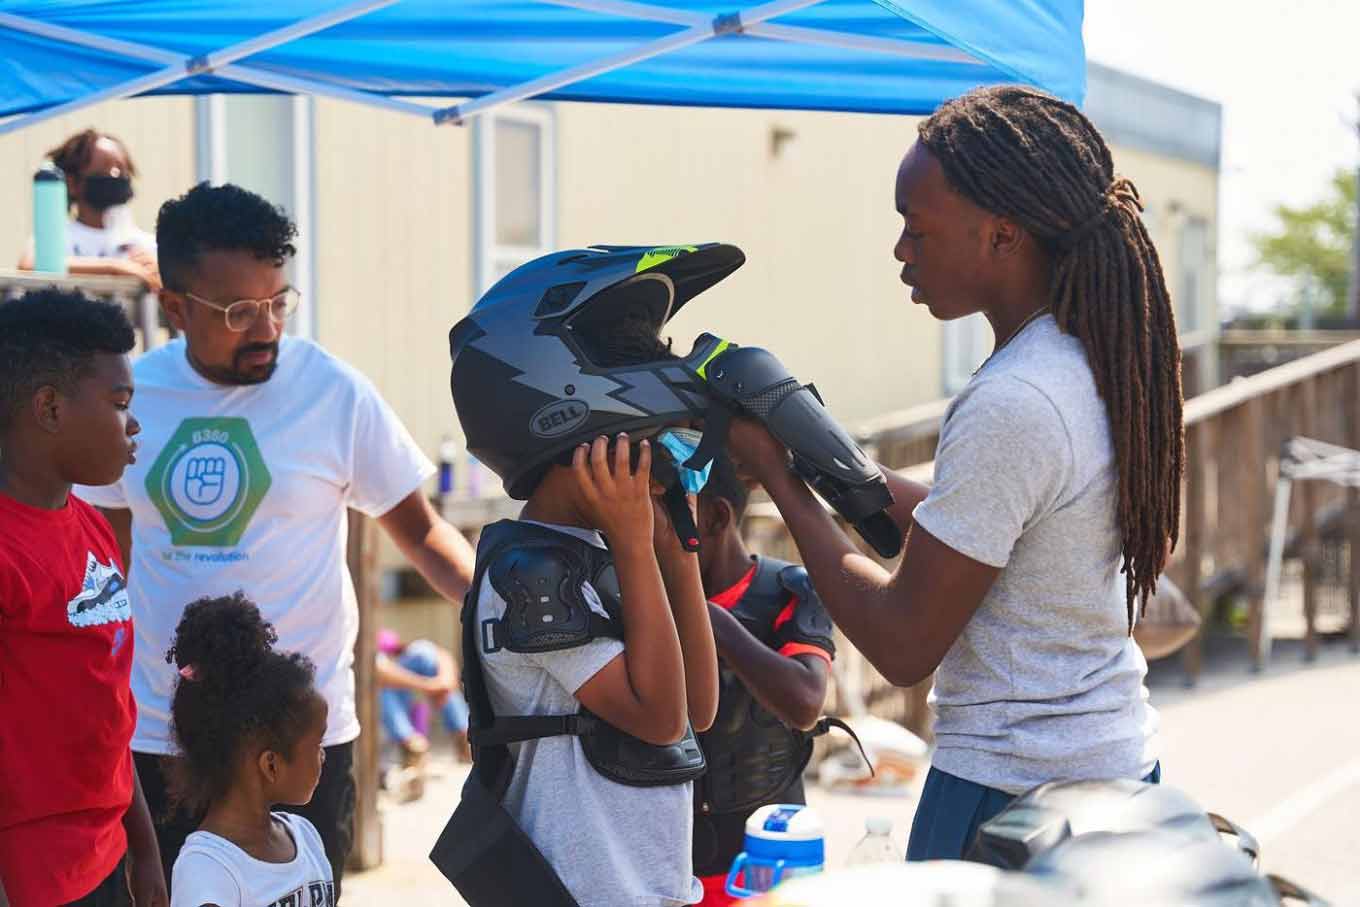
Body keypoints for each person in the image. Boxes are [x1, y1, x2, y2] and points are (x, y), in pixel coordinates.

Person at [726, 84, 1180, 861]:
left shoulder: (1013, 400)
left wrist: (779, 477)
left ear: (1002, 236)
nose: (902, 249)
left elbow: (902, 642)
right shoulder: (1090, 360)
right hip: (1112, 778)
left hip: (1012, 800)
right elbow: (989, 522)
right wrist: (825, 455)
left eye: (917, 228)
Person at [76, 182, 476, 894]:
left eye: (277, 302)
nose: (265, 328)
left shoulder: (334, 392)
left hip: (300, 740)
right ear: (174, 308)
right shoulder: (130, 397)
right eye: (237, 310)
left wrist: (504, 613)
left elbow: (423, 534)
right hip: (165, 738)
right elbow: (102, 561)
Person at [440, 247, 732, 906]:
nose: (661, 452)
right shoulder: (531, 574)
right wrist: (633, 542)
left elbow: (699, 711)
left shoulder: (603, 548)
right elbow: (659, 720)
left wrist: (673, 547)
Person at [0, 290, 167, 906]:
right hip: (29, 880)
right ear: (48, 407)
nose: (134, 424)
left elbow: (110, 708)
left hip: (106, 860)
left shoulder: (93, 525)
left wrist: (144, 850)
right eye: (120, 403)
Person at [690, 456, 834, 906]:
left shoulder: (790, 590)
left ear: (715, 517)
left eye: (666, 510)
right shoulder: (638, 594)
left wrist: (714, 623)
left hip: (766, 864)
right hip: (666, 866)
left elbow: (806, 702)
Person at [164, 593, 333, 907]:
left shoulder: (306, 837)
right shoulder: (208, 870)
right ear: (271, 765)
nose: (324, 756)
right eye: (317, 745)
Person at [18, 129, 161, 290]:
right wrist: (115, 268)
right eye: (105, 167)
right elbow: (29, 264)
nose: (115, 174)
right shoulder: (57, 238)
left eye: (122, 169)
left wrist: (158, 273)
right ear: (72, 184)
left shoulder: (146, 245)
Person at [376, 629, 470, 800]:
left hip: (403, 696)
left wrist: (444, 683)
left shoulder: (392, 645)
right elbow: (377, 670)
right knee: (379, 684)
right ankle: (411, 746)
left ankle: (464, 736)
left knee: (424, 651)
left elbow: (440, 654)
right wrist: (429, 686)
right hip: (380, 703)